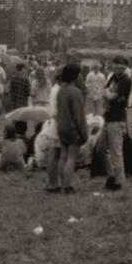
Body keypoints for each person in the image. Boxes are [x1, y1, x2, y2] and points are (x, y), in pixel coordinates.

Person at [54, 64, 88, 193]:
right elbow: (78, 115)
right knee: (71, 158)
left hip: (61, 126)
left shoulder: (61, 90)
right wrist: (83, 133)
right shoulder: (75, 92)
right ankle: (67, 186)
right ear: (75, 76)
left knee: (63, 156)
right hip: (73, 129)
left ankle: (62, 183)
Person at [101, 56, 132, 191]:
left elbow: (110, 96)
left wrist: (108, 93)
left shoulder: (126, 80)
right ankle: (111, 176)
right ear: (112, 65)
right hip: (107, 117)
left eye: (122, 64)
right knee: (102, 149)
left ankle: (118, 182)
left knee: (116, 150)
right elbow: (104, 91)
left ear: (126, 66)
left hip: (117, 118)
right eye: (117, 63)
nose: (119, 66)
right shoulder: (113, 77)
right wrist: (108, 93)